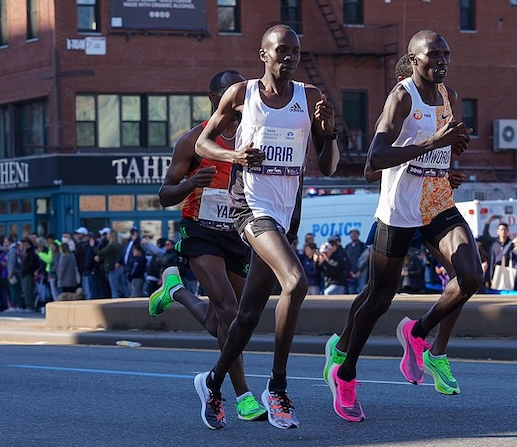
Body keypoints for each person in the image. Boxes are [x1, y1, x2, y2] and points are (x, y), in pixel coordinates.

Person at [324, 30, 482, 423]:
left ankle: (419, 334)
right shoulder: (401, 97)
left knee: (471, 275)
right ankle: (345, 373)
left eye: (446, 54)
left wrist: (446, 165)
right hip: (398, 209)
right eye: (433, 55)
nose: (442, 61)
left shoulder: (448, 95)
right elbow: (375, 159)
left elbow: (438, 148)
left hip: (436, 201)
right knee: (379, 298)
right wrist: (433, 144)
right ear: (414, 59)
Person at [193, 24, 340, 430]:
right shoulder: (242, 94)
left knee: (248, 314)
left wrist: (329, 131)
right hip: (251, 209)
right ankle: (277, 388)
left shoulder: (310, 97)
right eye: (281, 50)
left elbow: (329, 166)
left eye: (295, 51)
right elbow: (203, 143)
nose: (289, 57)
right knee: (296, 282)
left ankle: (213, 383)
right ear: (264, 55)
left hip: (286, 216)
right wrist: (236, 156)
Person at [148, 69, 267, 427]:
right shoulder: (193, 141)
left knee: (226, 320)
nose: (240, 100)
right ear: (215, 98)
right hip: (200, 232)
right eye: (232, 93)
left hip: (238, 234)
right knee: (229, 310)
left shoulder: (254, 135)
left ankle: (176, 292)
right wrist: (191, 184)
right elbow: (164, 194)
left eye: (243, 93)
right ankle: (242, 396)